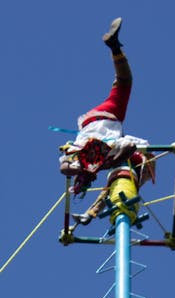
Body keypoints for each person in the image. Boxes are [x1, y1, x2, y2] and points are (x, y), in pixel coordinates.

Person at [59, 18, 153, 209]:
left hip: (101, 120)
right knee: (139, 159)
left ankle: (114, 47)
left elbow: (64, 168)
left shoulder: (85, 156)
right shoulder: (86, 156)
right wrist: (96, 168)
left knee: (124, 82)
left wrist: (93, 169)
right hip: (98, 120)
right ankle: (114, 47)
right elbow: (64, 168)